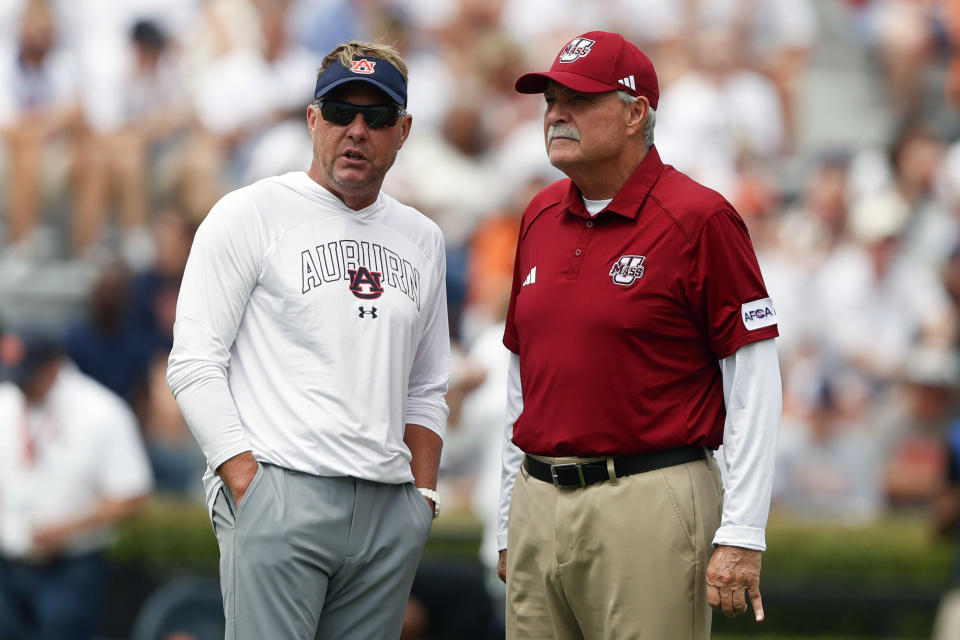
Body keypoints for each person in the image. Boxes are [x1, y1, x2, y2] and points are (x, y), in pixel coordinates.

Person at [496, 31, 782, 639]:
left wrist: (743, 530)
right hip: (538, 494)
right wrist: (505, 518)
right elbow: (522, 375)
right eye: (550, 99)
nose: (555, 114)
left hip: (649, 495)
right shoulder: (539, 214)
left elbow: (754, 375)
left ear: (635, 113)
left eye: (578, 98)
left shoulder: (700, 216)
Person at [166, 40, 450, 640]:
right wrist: (247, 483)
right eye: (342, 112)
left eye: (376, 118)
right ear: (312, 118)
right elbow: (194, 363)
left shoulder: (423, 237)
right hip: (281, 485)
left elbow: (426, 386)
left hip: (386, 506)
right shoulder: (248, 213)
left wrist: (421, 497)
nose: (356, 131)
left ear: (403, 131)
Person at [0, 329, 153, 640]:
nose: (22, 386)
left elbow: (132, 495)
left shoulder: (100, 411)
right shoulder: (7, 401)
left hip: (70, 570)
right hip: (8, 566)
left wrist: (65, 530)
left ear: (54, 366)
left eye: (28, 377)